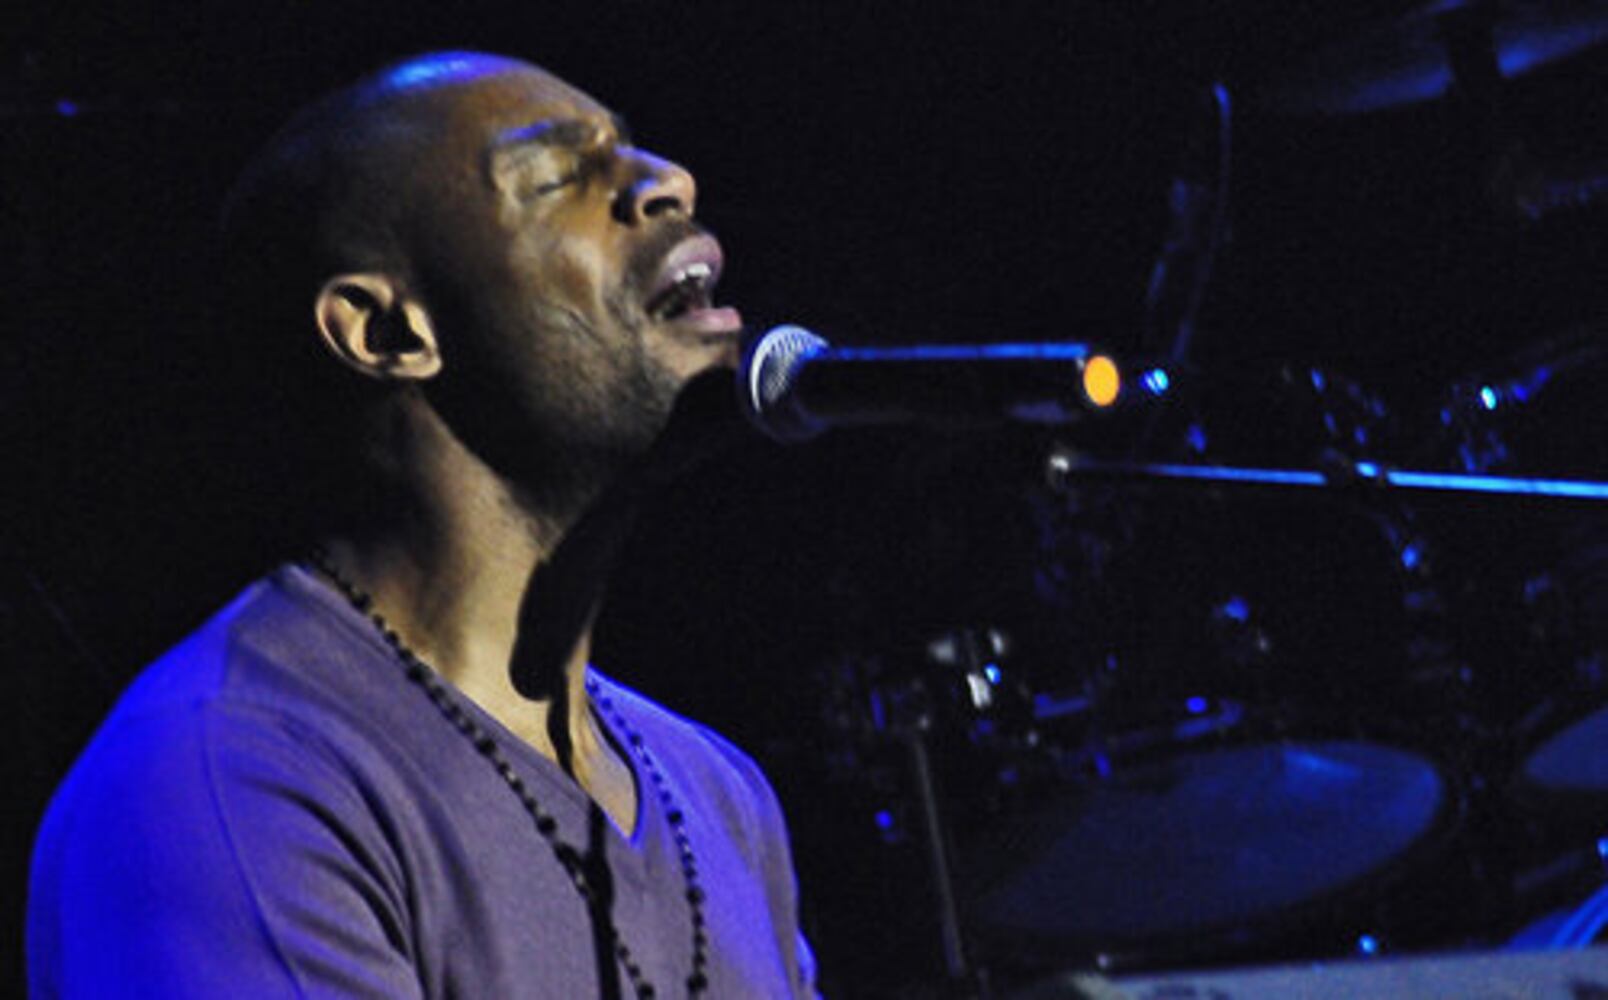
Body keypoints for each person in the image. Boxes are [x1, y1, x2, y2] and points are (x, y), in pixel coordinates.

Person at [27, 50, 817, 998]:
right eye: (558, 177)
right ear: (388, 331)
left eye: (636, 152)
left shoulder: (715, 793)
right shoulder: (220, 777)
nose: (669, 182)